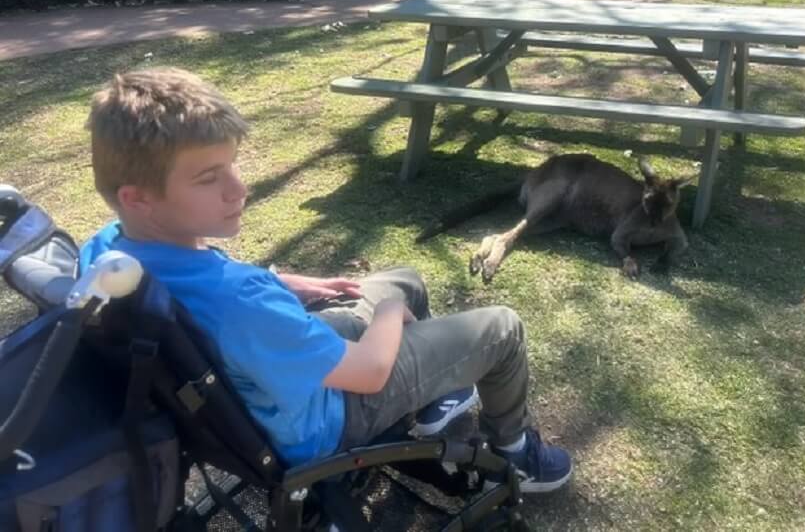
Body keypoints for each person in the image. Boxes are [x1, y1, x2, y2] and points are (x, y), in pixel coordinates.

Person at [79, 67, 572, 493]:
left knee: (403, 279)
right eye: (209, 178)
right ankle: (513, 451)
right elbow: (367, 372)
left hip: (257, 378)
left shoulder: (106, 251)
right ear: (138, 197)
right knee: (500, 327)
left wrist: (287, 282)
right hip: (322, 420)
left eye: (231, 166)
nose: (239, 189)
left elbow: (207, 286)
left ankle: (429, 400)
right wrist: (385, 318)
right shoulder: (241, 304)